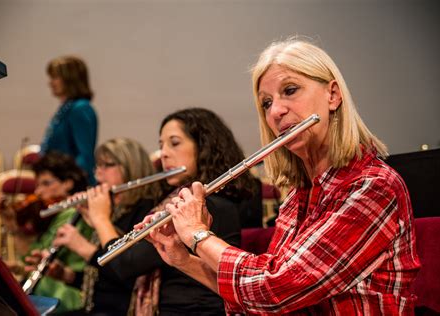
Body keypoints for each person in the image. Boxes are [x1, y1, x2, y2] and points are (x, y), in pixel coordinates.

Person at [145, 39, 421, 315]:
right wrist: (184, 260)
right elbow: (258, 295)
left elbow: (276, 289)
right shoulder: (298, 196)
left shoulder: (372, 186)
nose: (275, 111)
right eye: (266, 103)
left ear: (333, 95)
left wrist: (198, 235)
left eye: (290, 90)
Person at [103, 108, 256, 315]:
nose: (163, 153)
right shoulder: (173, 200)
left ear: (204, 147)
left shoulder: (205, 204)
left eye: (174, 143)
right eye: (161, 145)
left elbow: (124, 265)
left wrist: (99, 218)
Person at [44, 138, 161, 315]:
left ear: (132, 167)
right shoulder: (113, 210)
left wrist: (85, 246)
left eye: (107, 165)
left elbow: (128, 276)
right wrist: (68, 275)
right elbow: (104, 278)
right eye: (97, 165)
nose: (98, 173)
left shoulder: (147, 210)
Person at [23, 152, 92, 313]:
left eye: (46, 183)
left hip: (65, 296)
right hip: (50, 288)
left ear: (67, 183)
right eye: (37, 185)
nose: (38, 191)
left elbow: (36, 254)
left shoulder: (72, 212)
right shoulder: (55, 215)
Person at [41, 55, 98, 185]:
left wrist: (67, 183)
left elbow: (85, 155)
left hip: (70, 186)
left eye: (55, 77)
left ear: (70, 80)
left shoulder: (81, 108)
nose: (50, 83)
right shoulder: (67, 108)